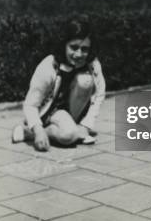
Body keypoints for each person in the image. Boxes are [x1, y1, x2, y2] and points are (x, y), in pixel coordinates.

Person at [12, 17, 105, 151]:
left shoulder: (93, 64)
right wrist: (38, 130)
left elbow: (99, 95)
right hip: (50, 113)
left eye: (85, 49)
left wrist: (86, 125)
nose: (79, 54)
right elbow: (30, 104)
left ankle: (72, 128)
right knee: (69, 135)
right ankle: (35, 131)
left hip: (73, 112)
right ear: (63, 45)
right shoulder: (49, 66)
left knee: (85, 80)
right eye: (74, 47)